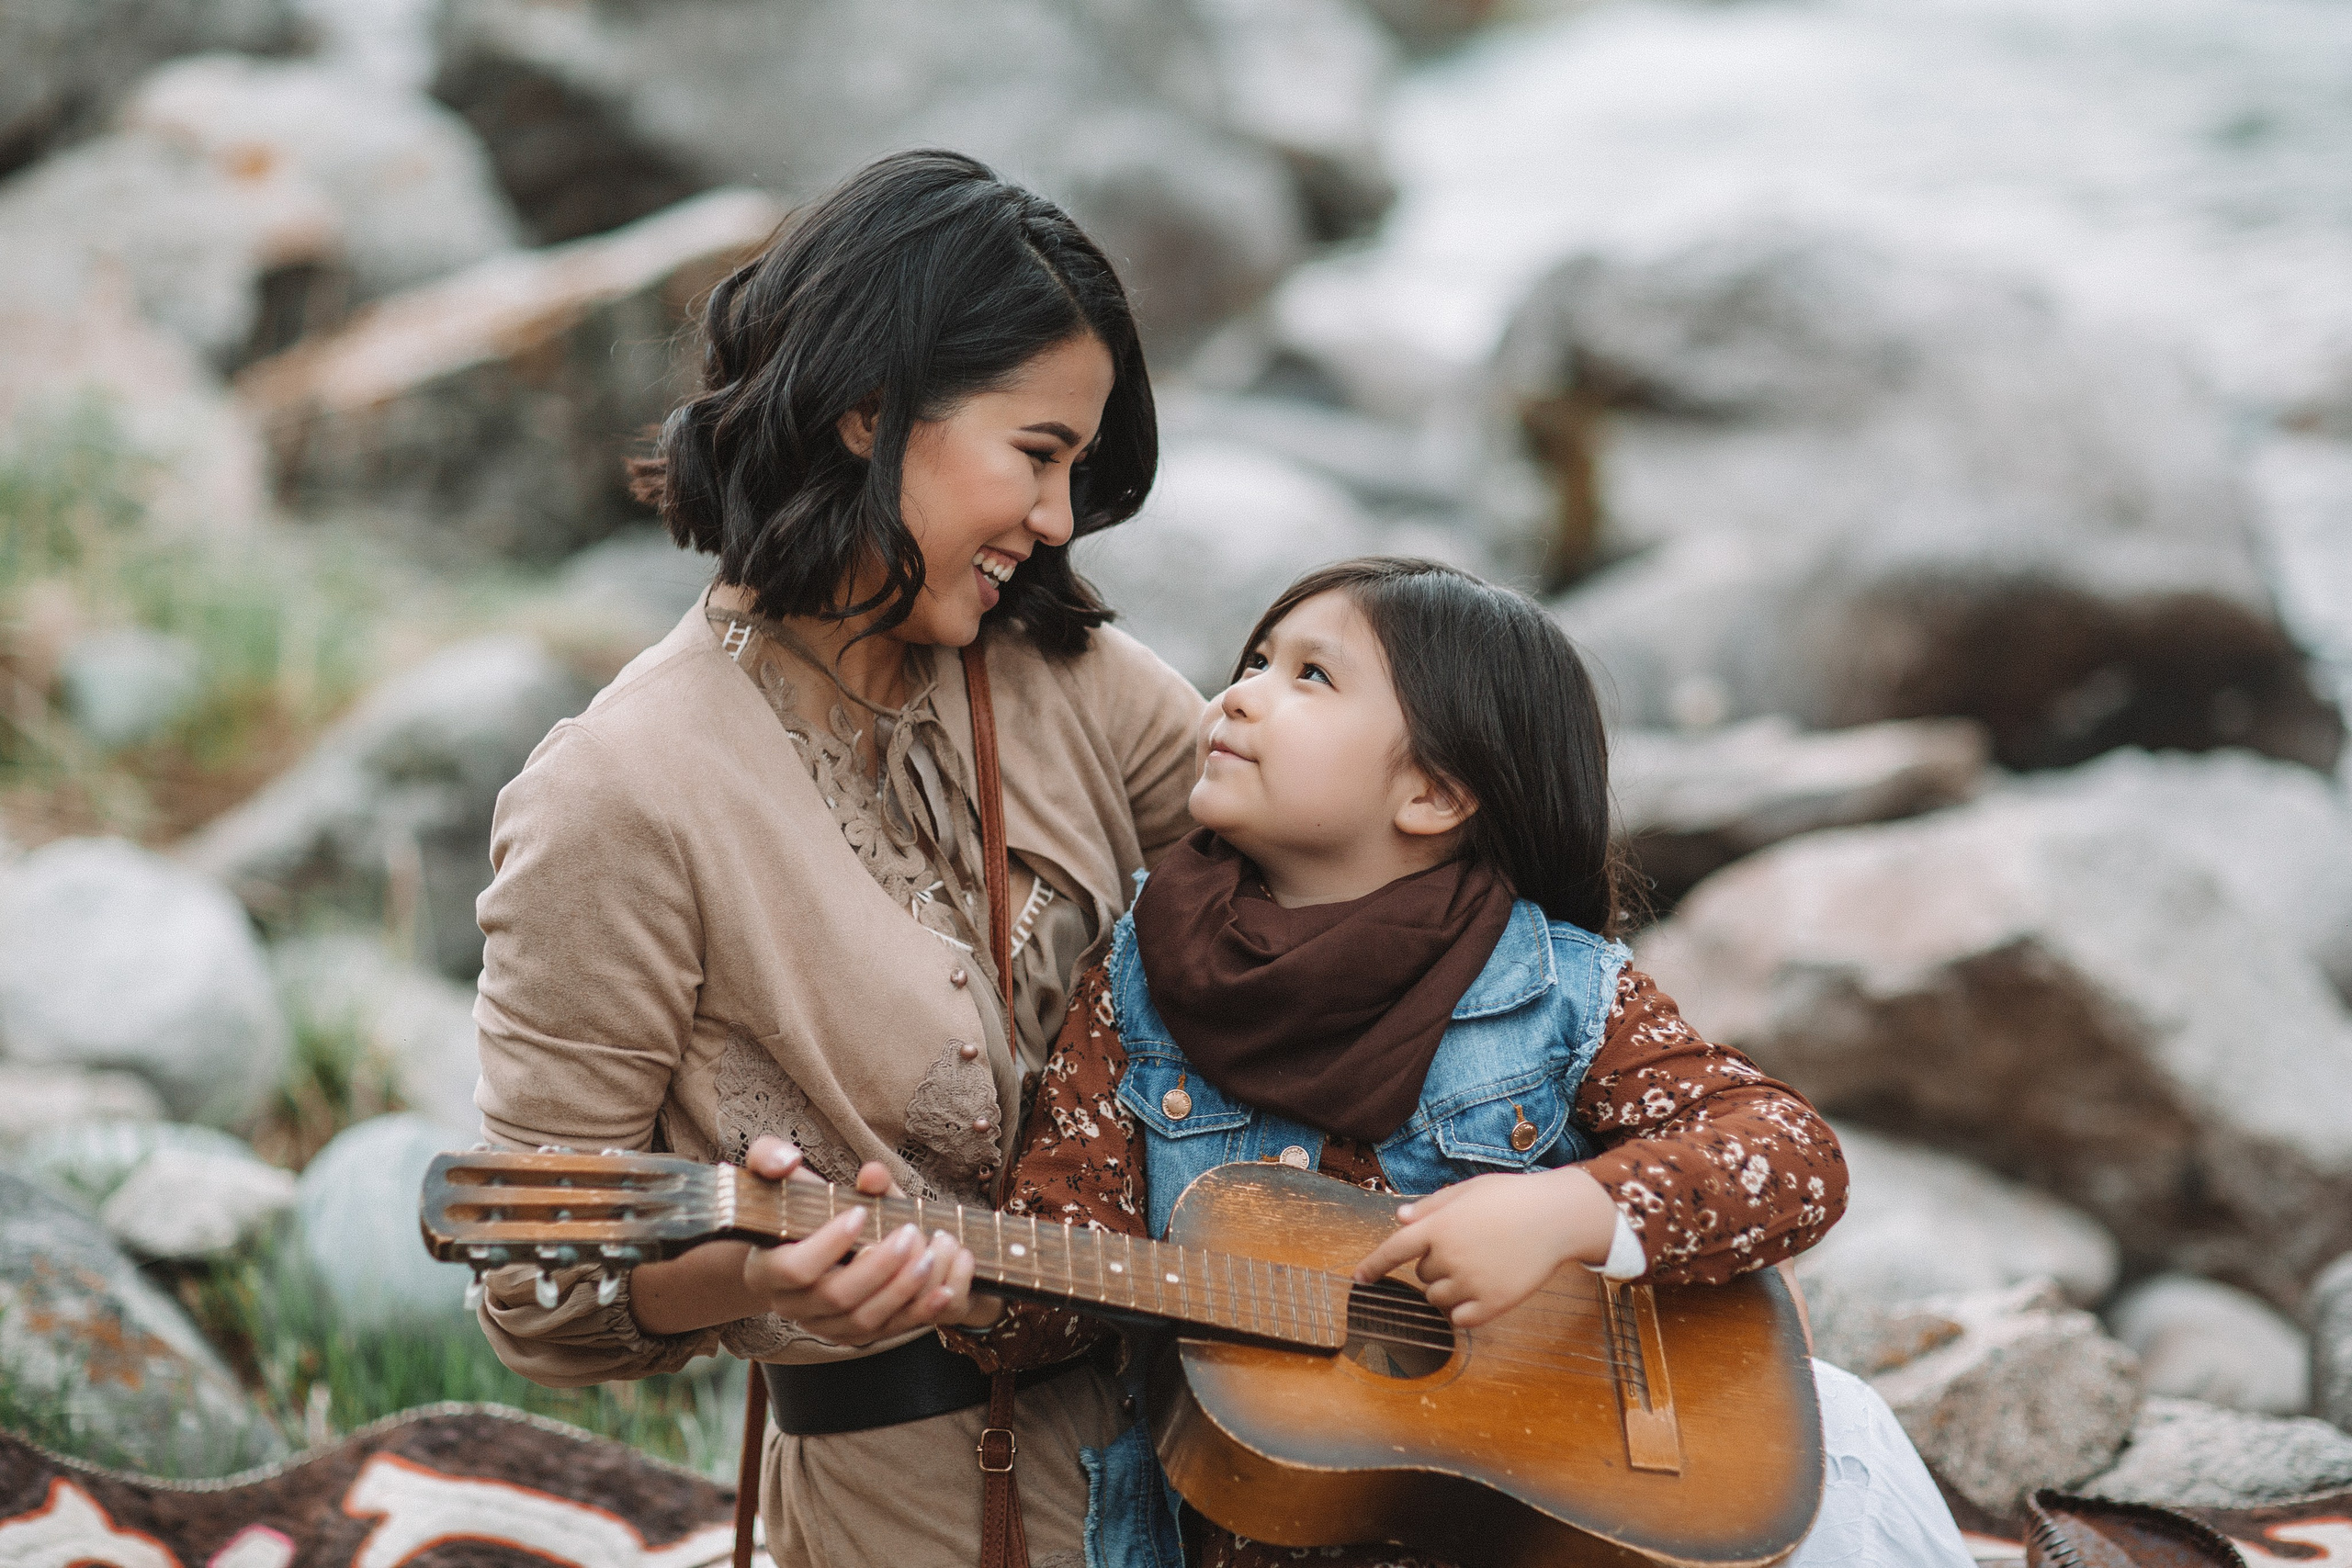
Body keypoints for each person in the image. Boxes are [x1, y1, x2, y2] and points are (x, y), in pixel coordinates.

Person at [467, 149, 1206, 1568]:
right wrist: (752, 1273)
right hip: (910, 1513)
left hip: (1230, 1465)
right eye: (1038, 455)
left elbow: (1378, 905)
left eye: (1074, 468)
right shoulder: (619, 792)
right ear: (870, 410)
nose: (1058, 519)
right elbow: (537, 1290)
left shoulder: (1075, 678)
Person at [953, 557, 1978, 1567]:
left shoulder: (1558, 989)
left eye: (1310, 676)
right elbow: (1064, 1257)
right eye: (1255, 660)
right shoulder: (1136, 975)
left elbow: (1789, 1156)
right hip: (1253, 1534)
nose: (1239, 697)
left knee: (1841, 1432)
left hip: (1541, 1523)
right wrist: (951, 1285)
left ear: (1435, 796)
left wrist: (1568, 1212)